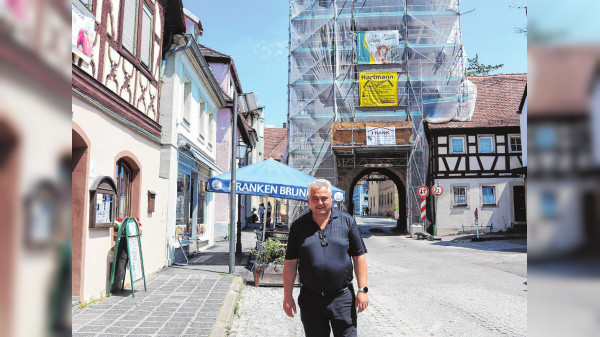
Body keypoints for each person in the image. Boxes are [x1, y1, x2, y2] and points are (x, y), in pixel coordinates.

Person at [283, 179, 368, 337]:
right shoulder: (298, 226)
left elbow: (359, 257)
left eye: (324, 198)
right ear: (308, 200)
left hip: (342, 298)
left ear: (331, 198)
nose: (319, 202)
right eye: (314, 198)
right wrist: (287, 296)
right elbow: (290, 263)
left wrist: (362, 290)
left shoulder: (347, 221)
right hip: (310, 298)